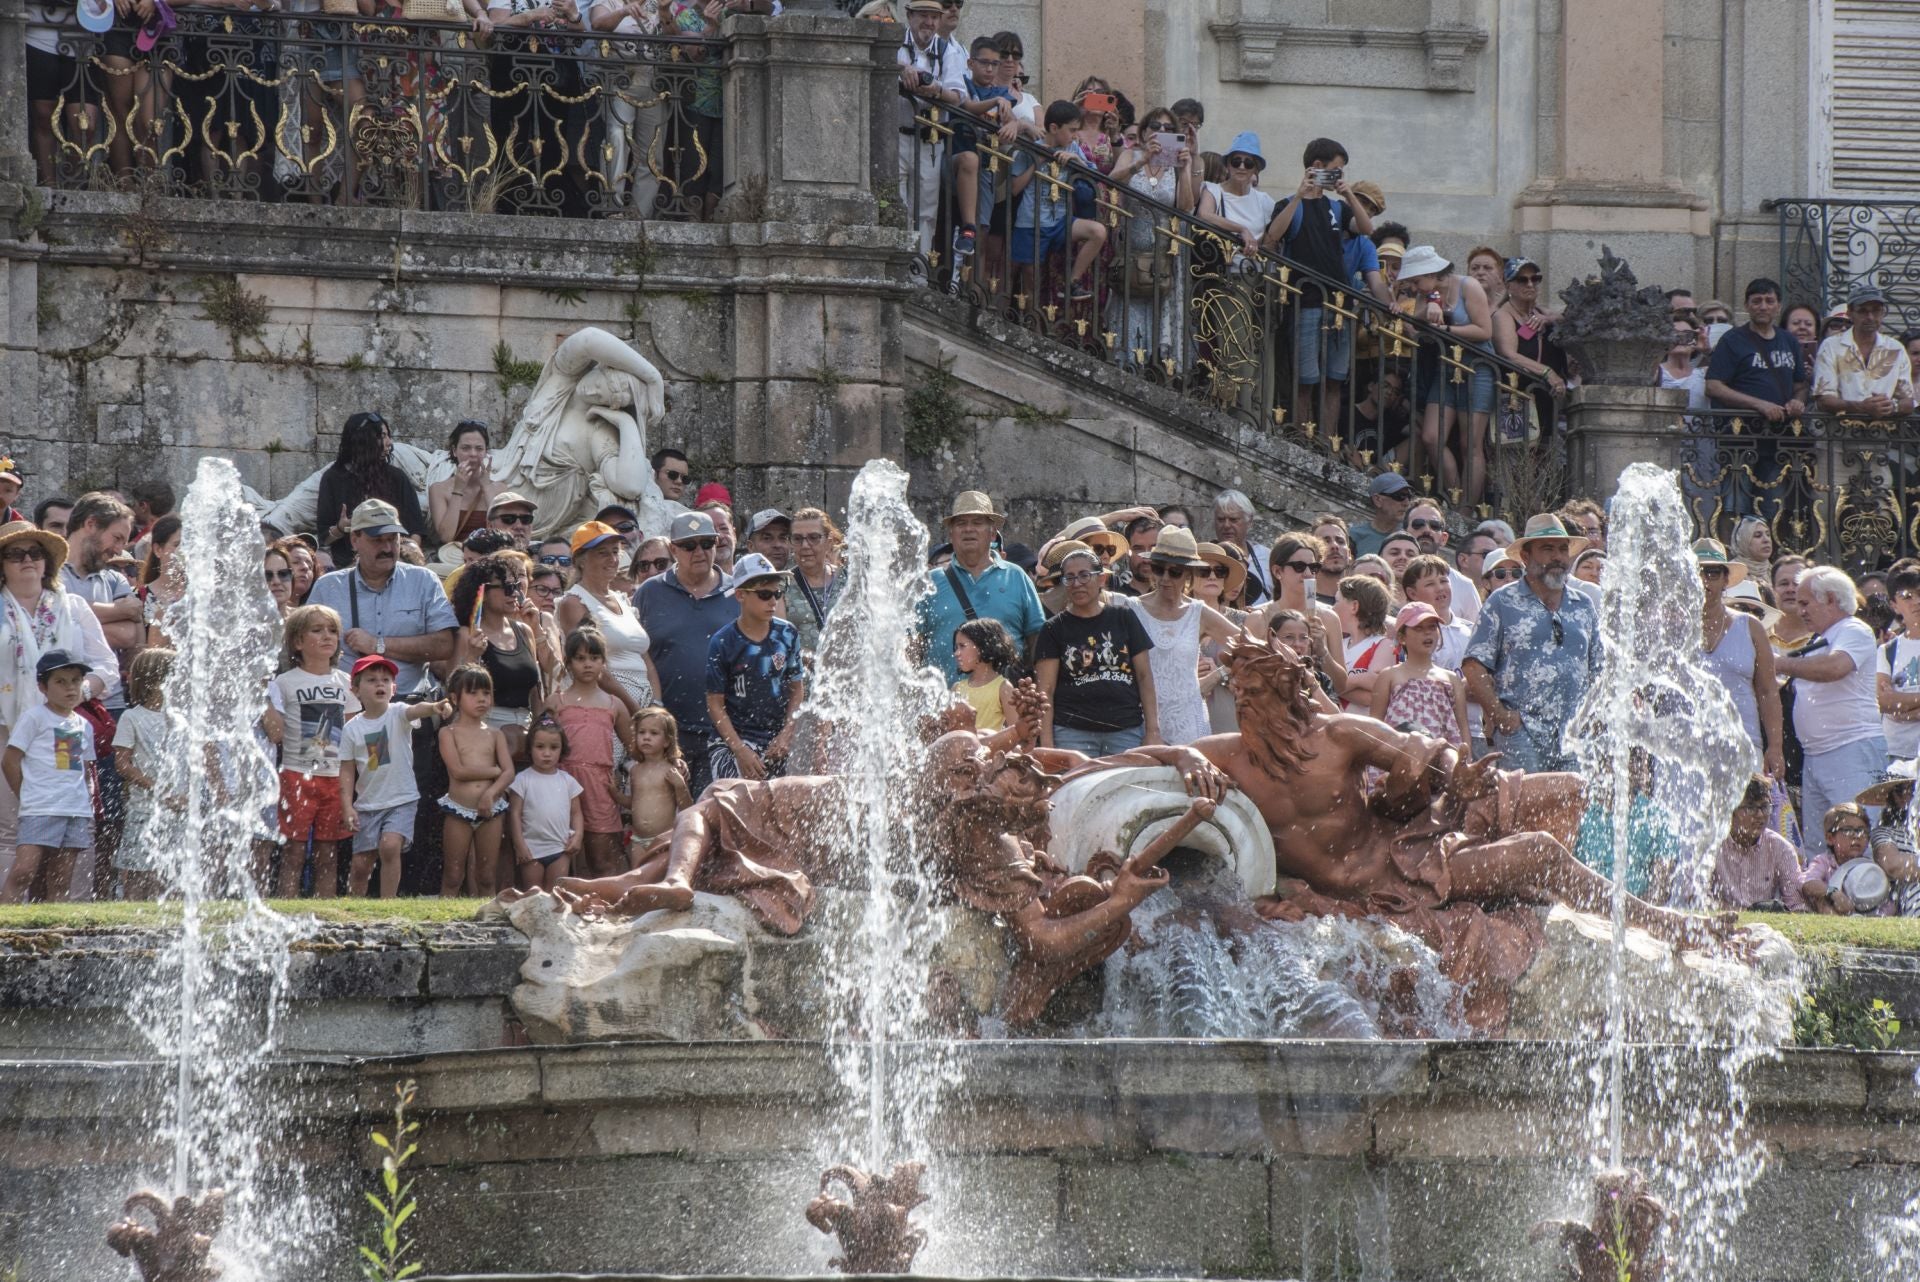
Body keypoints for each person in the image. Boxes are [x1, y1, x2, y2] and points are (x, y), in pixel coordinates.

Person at [1462, 513, 1601, 773]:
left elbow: (1599, 668)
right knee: (1521, 809)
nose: (1557, 557)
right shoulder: (1502, 601)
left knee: (1574, 812)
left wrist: (1592, 719)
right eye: (1547, 549)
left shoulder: (1584, 605)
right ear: (1525, 557)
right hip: (1522, 734)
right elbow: (1473, 665)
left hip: (1574, 737)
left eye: (1562, 549)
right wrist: (1502, 718)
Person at [1776, 566, 1885, 864]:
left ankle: (1871, 907)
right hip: (1817, 755)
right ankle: (1826, 905)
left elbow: (1835, 668)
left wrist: (1781, 664)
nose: (1800, 611)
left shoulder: (1854, 630)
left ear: (1832, 600)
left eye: (1805, 603)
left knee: (1858, 838)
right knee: (1819, 847)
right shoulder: (1819, 639)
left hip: (1851, 750)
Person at [636, 510, 741, 795]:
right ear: (673, 549)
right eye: (689, 545)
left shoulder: (737, 593)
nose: (700, 552)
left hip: (722, 731)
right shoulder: (649, 592)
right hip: (666, 731)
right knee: (662, 820)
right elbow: (635, 655)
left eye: (707, 543)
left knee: (711, 820)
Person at [305, 499, 458, 693]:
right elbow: (306, 646)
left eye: (393, 539)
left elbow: (444, 645)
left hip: (409, 706)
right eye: (377, 540)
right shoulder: (328, 587)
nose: (387, 548)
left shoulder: (423, 580)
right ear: (354, 540)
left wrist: (377, 644)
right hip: (348, 707)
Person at [265, 605, 359, 899]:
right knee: (293, 851)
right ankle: (287, 906)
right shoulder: (285, 682)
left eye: (332, 631)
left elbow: (354, 731)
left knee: (327, 852)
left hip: (334, 778)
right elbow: (275, 731)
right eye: (316, 630)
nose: (327, 636)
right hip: (296, 775)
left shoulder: (346, 682)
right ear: (297, 642)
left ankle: (326, 912)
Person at [338, 655, 448, 900]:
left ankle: (389, 903)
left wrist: (433, 707)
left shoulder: (397, 713)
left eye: (386, 680)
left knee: (390, 846)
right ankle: (354, 907)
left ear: (394, 689)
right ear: (355, 690)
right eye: (372, 680)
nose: (380, 684)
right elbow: (346, 770)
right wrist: (347, 807)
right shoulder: (351, 729)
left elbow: (415, 710)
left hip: (401, 799)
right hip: (367, 804)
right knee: (360, 865)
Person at [1397, 244, 1497, 506]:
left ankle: (1465, 511)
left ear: (1431, 273)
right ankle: (1455, 498)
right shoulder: (1428, 294)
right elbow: (1417, 332)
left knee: (1470, 444)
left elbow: (1484, 331)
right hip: (1446, 367)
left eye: (1417, 280)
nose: (1415, 287)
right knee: (1431, 436)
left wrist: (1446, 328)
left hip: (1477, 367)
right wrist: (1420, 311)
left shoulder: (1468, 286)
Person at [1035, 543, 1159, 753]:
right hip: (1072, 733)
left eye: (1084, 575)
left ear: (1101, 578)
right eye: (1070, 577)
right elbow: (1045, 691)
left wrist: (1153, 731)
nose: (1077, 583)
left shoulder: (1124, 618)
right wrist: (1047, 746)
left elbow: (1145, 676)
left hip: (1126, 730)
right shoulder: (1053, 629)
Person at [917, 491, 1044, 685]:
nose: (969, 529)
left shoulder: (1016, 577)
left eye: (977, 523)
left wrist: (1036, 691)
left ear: (992, 533)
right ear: (951, 533)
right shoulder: (930, 583)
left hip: (1003, 708)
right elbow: (912, 644)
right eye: (961, 523)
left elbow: (1037, 641)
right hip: (943, 707)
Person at [1129, 527, 1241, 746]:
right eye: (1159, 569)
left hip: (1188, 721)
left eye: (1175, 572)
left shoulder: (1199, 613)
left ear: (1188, 574)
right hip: (1140, 720)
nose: (1165, 578)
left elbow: (1251, 645)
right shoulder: (1131, 608)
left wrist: (1222, 673)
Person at [0, 651, 97, 904]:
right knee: (24, 872)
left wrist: (84, 802)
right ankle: (5, 925)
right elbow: (10, 759)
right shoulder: (34, 718)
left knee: (61, 877)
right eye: (60, 682)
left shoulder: (84, 725)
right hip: (39, 807)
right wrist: (25, 794)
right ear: (43, 687)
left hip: (74, 809)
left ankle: (55, 934)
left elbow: (82, 768)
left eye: (76, 681)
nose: (70, 688)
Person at [705, 553, 806, 783]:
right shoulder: (723, 642)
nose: (773, 601)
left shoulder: (788, 634)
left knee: (773, 814)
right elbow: (714, 703)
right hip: (731, 744)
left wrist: (786, 735)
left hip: (774, 743)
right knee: (736, 811)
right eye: (764, 594)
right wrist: (739, 749)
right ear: (740, 595)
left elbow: (797, 689)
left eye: (778, 593)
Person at [1695, 540, 1786, 780]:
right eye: (1697, 572)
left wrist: (1775, 747)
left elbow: (1767, 691)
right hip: (1687, 747)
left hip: (1743, 743)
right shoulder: (1671, 629)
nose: (1704, 580)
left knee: (1747, 816)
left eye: (1712, 572)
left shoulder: (1751, 627)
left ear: (1726, 580)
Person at [447, 552, 551, 757]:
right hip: (484, 730)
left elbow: (535, 693)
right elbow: (451, 695)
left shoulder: (524, 630)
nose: (514, 593)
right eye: (506, 587)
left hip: (526, 732)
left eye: (516, 586)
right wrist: (471, 657)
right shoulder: (466, 635)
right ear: (482, 593)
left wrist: (541, 731)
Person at [549, 629, 633, 879]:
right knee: (564, 851)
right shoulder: (556, 702)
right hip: (562, 783)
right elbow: (541, 744)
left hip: (600, 784)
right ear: (569, 662)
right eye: (580, 658)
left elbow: (635, 749)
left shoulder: (614, 704)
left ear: (603, 662)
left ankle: (609, 905)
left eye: (594, 658)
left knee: (603, 855)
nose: (588, 664)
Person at [1008, 99, 1108, 303]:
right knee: (1031, 281)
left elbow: (1097, 177)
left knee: (1097, 231)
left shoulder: (1072, 148)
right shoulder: (1030, 149)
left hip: (1061, 221)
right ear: (1054, 128)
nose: (1074, 136)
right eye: (1071, 130)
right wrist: (1039, 161)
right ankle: (1031, 328)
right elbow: (1014, 188)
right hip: (1031, 223)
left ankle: (1072, 282)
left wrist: (1079, 162)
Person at [556, 520, 657, 714]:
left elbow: (645, 658)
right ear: (581, 560)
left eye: (614, 551)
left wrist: (657, 704)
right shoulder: (575, 602)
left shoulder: (623, 601)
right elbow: (589, 664)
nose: (612, 559)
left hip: (643, 705)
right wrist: (634, 709)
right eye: (603, 553)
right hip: (606, 707)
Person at [437, 663, 515, 898]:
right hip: (459, 810)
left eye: (486, 693)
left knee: (487, 875)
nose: (481, 699)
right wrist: (493, 771)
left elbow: (509, 772)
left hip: (491, 810)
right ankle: (441, 923)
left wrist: (491, 794)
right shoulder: (448, 733)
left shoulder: (495, 733)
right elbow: (458, 771)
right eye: (473, 693)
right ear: (455, 697)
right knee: (453, 874)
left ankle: (487, 923)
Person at [111, 648, 180, 902]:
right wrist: (159, 789)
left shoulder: (181, 719)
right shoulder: (132, 717)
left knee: (172, 875)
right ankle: (132, 924)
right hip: (144, 810)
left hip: (178, 810)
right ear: (156, 680)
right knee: (140, 873)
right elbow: (122, 764)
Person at [315, 413, 427, 570]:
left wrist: (408, 554)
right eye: (382, 436)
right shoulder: (333, 478)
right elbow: (324, 537)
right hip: (347, 563)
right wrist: (341, 528)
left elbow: (416, 530)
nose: (389, 443)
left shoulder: (396, 477)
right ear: (362, 440)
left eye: (388, 436)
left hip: (393, 559)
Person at [1368, 601, 1469, 745]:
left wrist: (1466, 761)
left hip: (1442, 760)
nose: (1427, 633)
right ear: (1402, 638)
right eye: (1418, 628)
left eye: (1432, 627)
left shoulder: (1451, 679)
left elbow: (1463, 728)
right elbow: (1375, 725)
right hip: (1398, 759)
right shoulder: (1389, 676)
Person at [1811, 285, 1917, 419]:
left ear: (1883, 312)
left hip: (1884, 435)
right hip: (1840, 435)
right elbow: (1823, 400)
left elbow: (1908, 401)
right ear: (1850, 313)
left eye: (1876, 311)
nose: (1870, 317)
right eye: (1863, 311)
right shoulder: (1831, 346)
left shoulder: (1896, 348)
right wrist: (1862, 407)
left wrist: (1891, 406)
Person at [509, 714, 585, 893]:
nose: (547, 753)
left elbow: (576, 813)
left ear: (562, 750)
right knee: (533, 895)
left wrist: (578, 836)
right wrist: (519, 845)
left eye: (554, 747)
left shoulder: (568, 781)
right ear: (530, 748)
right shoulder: (522, 779)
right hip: (531, 849)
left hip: (560, 849)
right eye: (540, 747)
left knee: (555, 896)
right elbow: (514, 814)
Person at [1709, 776, 1806, 912]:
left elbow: (1796, 905)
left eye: (1765, 807)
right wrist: (1744, 913)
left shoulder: (1780, 848)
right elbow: (1695, 898)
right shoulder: (1711, 845)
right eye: (1750, 807)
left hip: (1765, 928)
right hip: (1721, 924)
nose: (1760, 815)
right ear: (1730, 810)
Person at [1194, 540, 1249, 732]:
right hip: (1186, 719)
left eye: (1220, 571)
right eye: (1203, 570)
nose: (1212, 576)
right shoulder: (1174, 619)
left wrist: (1219, 673)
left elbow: (1257, 672)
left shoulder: (1243, 621)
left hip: (1231, 720)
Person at [427, 420, 504, 549]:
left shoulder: (500, 489)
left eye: (479, 448)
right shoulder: (439, 489)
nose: (473, 454)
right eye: (465, 448)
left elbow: (503, 532)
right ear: (454, 451)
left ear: (486, 452)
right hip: (455, 557)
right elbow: (446, 537)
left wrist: (487, 488)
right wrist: (458, 490)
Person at [627, 705, 691, 847]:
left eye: (654, 733)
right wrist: (613, 793)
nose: (646, 737)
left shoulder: (673, 770)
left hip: (663, 839)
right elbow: (634, 802)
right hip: (637, 839)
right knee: (637, 870)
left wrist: (680, 786)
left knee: (662, 870)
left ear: (667, 741)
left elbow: (686, 808)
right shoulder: (634, 770)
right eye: (641, 732)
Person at [787, 508, 843, 662]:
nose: (805, 545)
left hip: (847, 677)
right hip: (802, 679)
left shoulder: (848, 581)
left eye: (814, 537)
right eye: (798, 539)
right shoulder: (781, 585)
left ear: (829, 542)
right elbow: (777, 639)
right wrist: (817, 660)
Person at [952, 617, 1017, 733]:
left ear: (983, 647)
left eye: (962, 646)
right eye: (956, 648)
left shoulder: (1003, 688)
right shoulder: (957, 688)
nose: (956, 653)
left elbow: (1016, 732)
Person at [1211, 490, 1270, 606]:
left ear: (1250, 522)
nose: (1226, 525)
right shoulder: (1205, 557)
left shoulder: (1267, 557)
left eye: (1233, 520)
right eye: (1221, 519)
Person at [137, 514, 184, 647]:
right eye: (177, 545)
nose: (184, 551)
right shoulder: (139, 597)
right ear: (158, 549)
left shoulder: (200, 596)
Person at [1349, 471, 1415, 558]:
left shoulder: (1412, 536)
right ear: (1377, 500)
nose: (1406, 503)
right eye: (1400, 496)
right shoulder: (1354, 536)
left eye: (1409, 496)